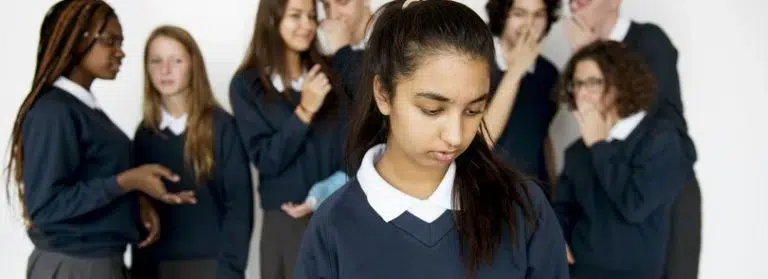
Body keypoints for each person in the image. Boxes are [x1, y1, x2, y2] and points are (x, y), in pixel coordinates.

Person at [293, 1, 568, 278]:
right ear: (384, 94)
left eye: (473, 111)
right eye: (432, 110)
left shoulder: (524, 207)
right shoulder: (333, 226)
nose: (455, 136)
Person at [7, 1, 195, 278]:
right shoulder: (55, 111)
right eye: (110, 41)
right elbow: (46, 206)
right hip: (76, 265)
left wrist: (134, 203)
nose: (121, 52)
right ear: (76, 40)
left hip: (98, 262)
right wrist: (128, 181)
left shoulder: (84, 109)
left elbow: (91, 178)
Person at [565, 1, 701, 277]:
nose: (575, 3)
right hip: (611, 188)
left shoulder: (650, 40)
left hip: (665, 185)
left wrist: (591, 55)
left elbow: (657, 119)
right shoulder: (578, 151)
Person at [228, 0, 353, 278]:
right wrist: (305, 111)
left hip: (336, 214)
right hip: (285, 223)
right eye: (296, 16)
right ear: (272, 19)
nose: (307, 25)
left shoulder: (332, 74)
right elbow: (267, 161)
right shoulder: (248, 85)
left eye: (311, 16)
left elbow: (352, 147)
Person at [130, 25, 253, 279]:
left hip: (211, 266)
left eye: (176, 60)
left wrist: (230, 271)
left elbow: (240, 208)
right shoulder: (144, 133)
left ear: (193, 65)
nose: (165, 70)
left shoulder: (222, 127)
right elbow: (139, 212)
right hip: (155, 269)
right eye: (156, 61)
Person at [483, 0, 562, 196]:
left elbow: (542, 136)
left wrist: (553, 192)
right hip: (487, 194)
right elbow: (481, 140)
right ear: (502, 16)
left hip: (535, 196)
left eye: (538, 15)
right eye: (519, 14)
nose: (529, 24)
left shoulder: (548, 73)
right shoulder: (477, 61)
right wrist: (516, 70)